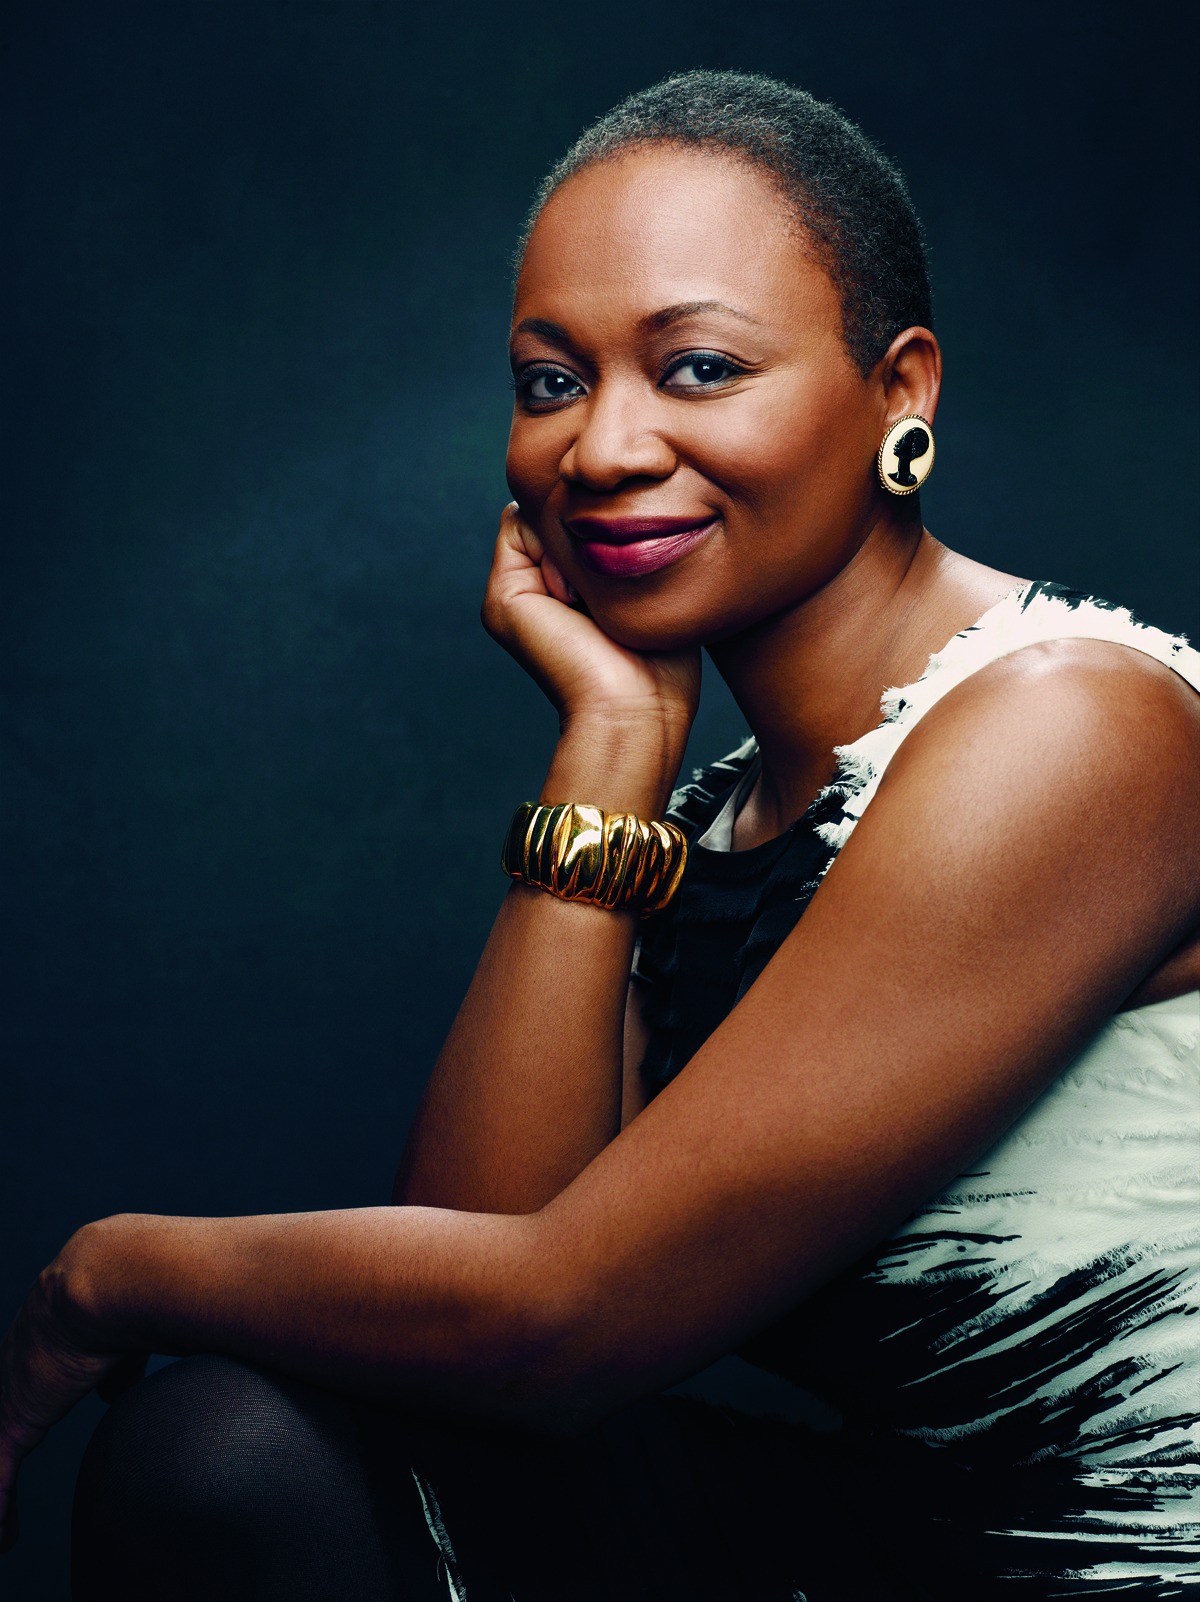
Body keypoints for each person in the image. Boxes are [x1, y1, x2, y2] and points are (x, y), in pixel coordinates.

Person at [2, 71, 1197, 1602]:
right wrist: (617, 745)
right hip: (892, 1532)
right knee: (238, 1453)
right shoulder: (716, 819)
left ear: (901, 391)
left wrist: (103, 1275)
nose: (605, 449)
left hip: (1122, 1571)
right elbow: (459, 1307)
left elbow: (554, 1329)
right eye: (552, 381)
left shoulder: (1072, 726)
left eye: (699, 367)